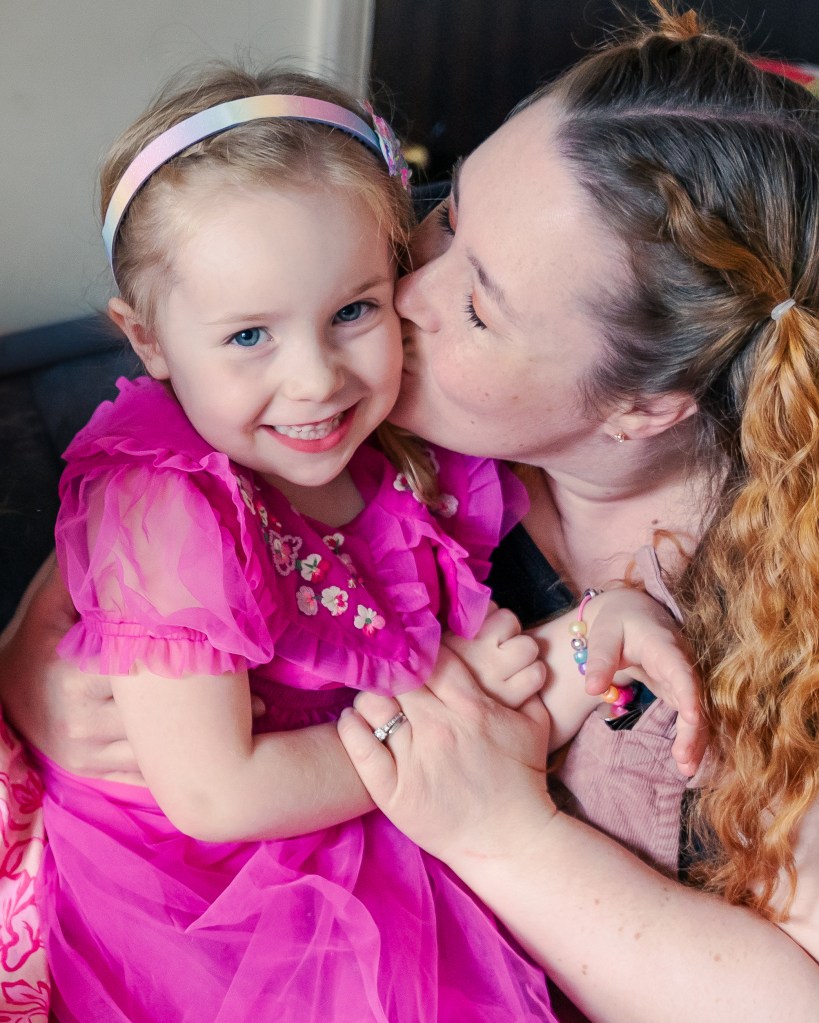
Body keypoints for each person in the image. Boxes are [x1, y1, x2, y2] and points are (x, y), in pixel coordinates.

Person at [17, 62, 703, 1022]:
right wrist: (438, 736)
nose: (316, 379)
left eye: (352, 311)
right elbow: (215, 795)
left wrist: (596, 629)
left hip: (363, 824)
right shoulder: (166, 505)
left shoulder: (410, 452)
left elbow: (488, 693)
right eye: (249, 336)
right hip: (210, 899)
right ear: (149, 341)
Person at [332, 4, 819, 1021]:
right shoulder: (368, 413)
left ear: (645, 404)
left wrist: (505, 837)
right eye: (448, 213)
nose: (408, 292)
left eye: (479, 309)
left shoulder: (786, 633)